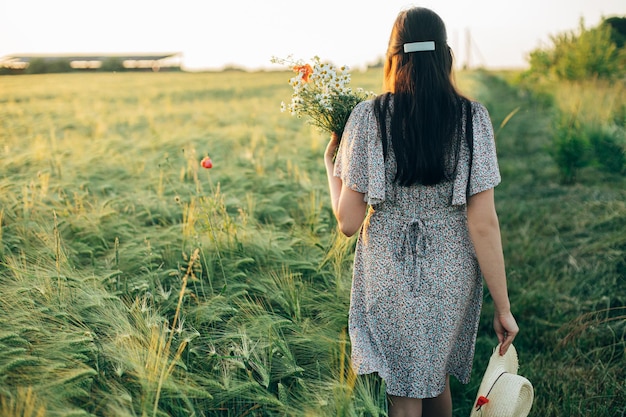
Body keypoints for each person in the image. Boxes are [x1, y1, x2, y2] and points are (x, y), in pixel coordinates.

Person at [324, 7, 519, 417]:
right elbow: (483, 224)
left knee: (404, 389)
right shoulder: (473, 118)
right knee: (433, 377)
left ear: (393, 56)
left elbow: (348, 222)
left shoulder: (368, 117)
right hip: (452, 270)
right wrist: (503, 308)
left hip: (388, 270)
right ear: (445, 55)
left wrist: (332, 167)